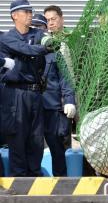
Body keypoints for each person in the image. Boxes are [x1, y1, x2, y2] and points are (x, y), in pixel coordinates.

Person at [0, 0, 51, 176]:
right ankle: (19, 180)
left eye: (31, 11)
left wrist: (47, 42)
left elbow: (46, 39)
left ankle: (35, 176)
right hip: (15, 94)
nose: (30, 14)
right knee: (17, 136)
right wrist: (43, 49)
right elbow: (25, 49)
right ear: (15, 16)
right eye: (25, 12)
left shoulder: (37, 34)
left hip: (35, 92)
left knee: (36, 138)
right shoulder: (7, 38)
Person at [37, 10, 76, 176]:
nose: (37, 31)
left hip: (54, 107)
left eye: (40, 27)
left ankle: (62, 182)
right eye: (33, 28)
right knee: (33, 147)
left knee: (58, 147)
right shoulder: (21, 51)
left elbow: (65, 78)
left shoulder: (54, 51)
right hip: (31, 108)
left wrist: (69, 100)